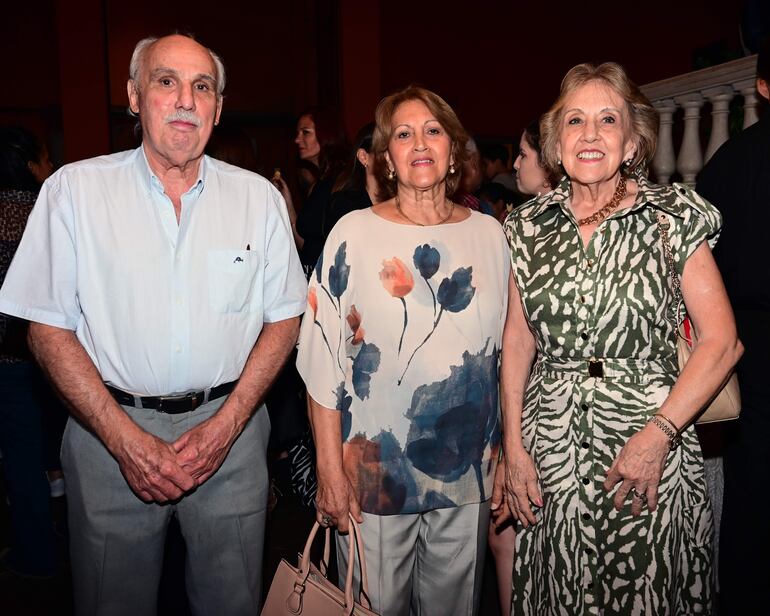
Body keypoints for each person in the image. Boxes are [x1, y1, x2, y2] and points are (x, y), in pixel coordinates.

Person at [0, 34, 306, 615]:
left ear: (218, 107)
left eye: (202, 87)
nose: (186, 100)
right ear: (135, 98)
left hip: (233, 436)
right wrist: (123, 440)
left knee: (232, 601)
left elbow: (285, 318)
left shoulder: (258, 199)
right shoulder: (74, 191)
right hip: (105, 433)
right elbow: (45, 327)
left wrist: (229, 423)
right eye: (166, 82)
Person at [502, 62, 742, 614]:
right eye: (575, 121)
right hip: (552, 452)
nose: (590, 134)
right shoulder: (526, 227)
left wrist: (656, 436)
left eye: (607, 120)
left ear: (632, 141)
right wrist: (513, 446)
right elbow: (518, 342)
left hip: (647, 449)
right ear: (555, 144)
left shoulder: (671, 217)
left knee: (645, 590)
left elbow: (722, 342)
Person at [296, 85, 510, 615]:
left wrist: (508, 449)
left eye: (433, 131)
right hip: (370, 474)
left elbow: (507, 352)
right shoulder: (353, 232)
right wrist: (328, 469)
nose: (420, 143)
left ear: (455, 150)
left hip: (467, 470)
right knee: (373, 607)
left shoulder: (491, 234)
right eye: (403, 133)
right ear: (386, 157)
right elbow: (322, 360)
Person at [696, 37, 770, 614]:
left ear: (761, 88)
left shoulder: (728, 162)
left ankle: (742, 596)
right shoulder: (731, 160)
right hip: (745, 334)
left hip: (747, 340)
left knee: (750, 488)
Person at [486, 117, 559, 616]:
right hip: (520, 398)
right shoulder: (523, 222)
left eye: (525, 156)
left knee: (513, 535)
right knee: (508, 535)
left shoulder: (530, 228)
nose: (515, 165)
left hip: (540, 401)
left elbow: (520, 332)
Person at [0, 126, 58, 578]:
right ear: (28, 164)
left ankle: (32, 548)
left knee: (22, 458)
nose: (51, 165)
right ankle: (41, 553)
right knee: (29, 458)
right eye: (44, 155)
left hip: (13, 359)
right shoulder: (41, 214)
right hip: (28, 360)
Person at [274, 107, 348, 277]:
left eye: (305, 132)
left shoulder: (344, 182)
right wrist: (287, 203)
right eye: (298, 133)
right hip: (310, 283)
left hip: (332, 287)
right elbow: (307, 245)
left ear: (326, 135)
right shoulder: (318, 183)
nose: (297, 139)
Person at [326, 121, 382, 231]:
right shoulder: (344, 205)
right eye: (384, 151)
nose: (392, 158)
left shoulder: (403, 200)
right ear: (363, 157)